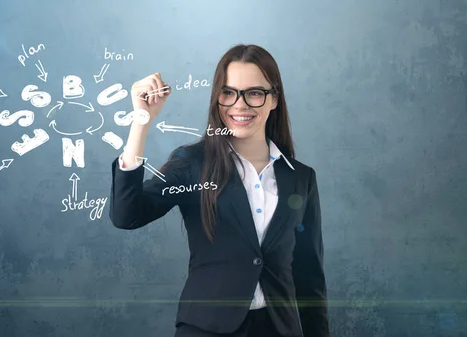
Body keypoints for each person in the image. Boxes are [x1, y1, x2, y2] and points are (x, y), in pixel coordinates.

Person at [109, 44, 329, 337]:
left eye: (254, 92)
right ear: (217, 98)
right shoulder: (191, 164)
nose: (240, 105)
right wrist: (141, 122)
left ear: (274, 99)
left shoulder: (301, 178)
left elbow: (309, 273)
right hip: (206, 328)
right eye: (228, 93)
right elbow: (127, 215)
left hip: (278, 329)